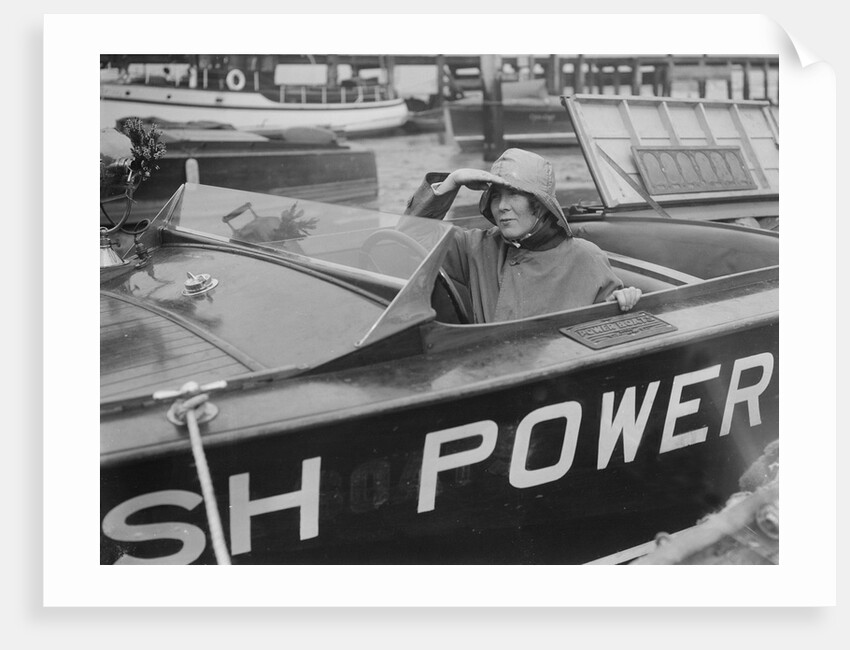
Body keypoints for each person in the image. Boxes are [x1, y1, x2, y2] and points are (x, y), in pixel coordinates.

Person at [403, 148, 641, 323]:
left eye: (514, 194)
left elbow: (609, 326)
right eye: (496, 196)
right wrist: (452, 182)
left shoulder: (587, 257)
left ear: (539, 205)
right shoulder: (476, 247)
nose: (502, 206)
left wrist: (623, 301)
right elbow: (410, 236)